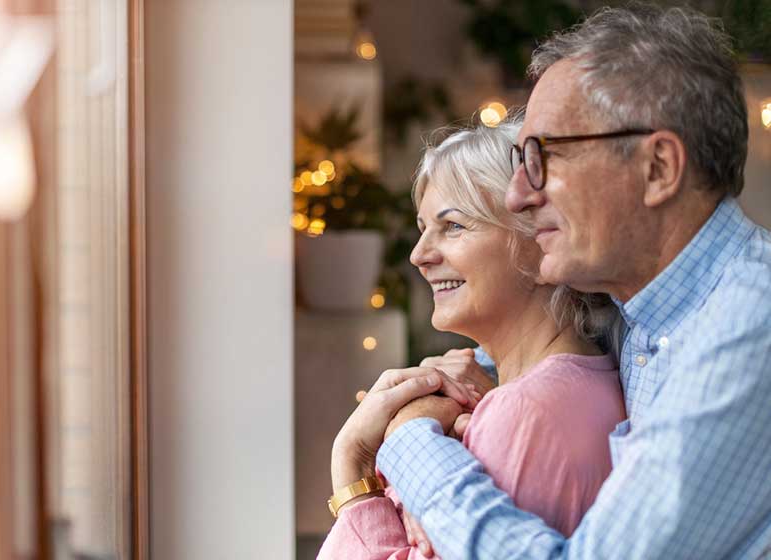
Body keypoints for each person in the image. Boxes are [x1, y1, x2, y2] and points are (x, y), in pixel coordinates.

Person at [366, 5, 771, 559]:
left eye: (544, 157)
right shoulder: (641, 308)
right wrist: (445, 386)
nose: (519, 197)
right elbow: (528, 351)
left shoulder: (746, 329)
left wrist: (410, 440)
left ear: (658, 169)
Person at [317, 121, 625, 559]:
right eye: (424, 227)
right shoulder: (567, 382)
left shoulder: (523, 413)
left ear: (543, 249)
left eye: (454, 226)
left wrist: (353, 470)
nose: (419, 255)